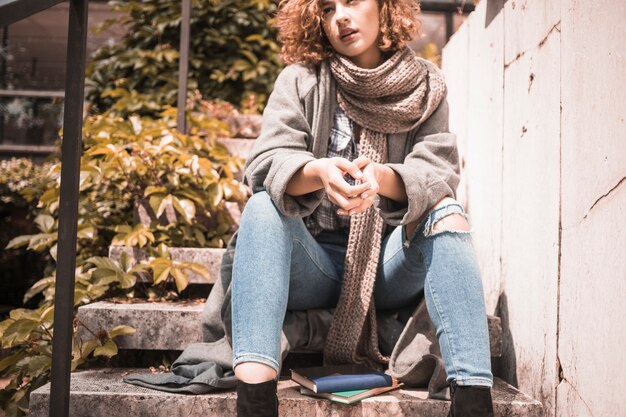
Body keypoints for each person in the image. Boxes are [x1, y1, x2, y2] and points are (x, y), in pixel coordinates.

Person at [231, 1, 494, 416]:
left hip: (387, 267)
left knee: (446, 210)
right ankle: (256, 403)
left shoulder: (426, 85)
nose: (341, 17)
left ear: (385, 6)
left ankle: (474, 401)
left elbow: (439, 171)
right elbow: (266, 163)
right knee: (263, 206)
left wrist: (383, 180)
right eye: (328, 7)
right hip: (311, 263)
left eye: (352, 1)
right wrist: (317, 171)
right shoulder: (300, 80)